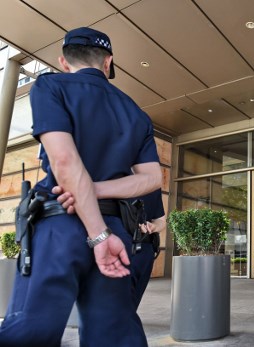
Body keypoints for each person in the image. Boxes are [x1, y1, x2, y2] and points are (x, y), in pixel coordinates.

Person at [0, 27, 161, 347]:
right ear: (108, 62)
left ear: (63, 61)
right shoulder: (136, 113)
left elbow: (63, 161)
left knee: (32, 330)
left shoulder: (50, 85)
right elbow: (152, 178)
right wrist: (98, 195)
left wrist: (88, 203)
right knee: (114, 334)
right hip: (116, 232)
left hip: (59, 224)